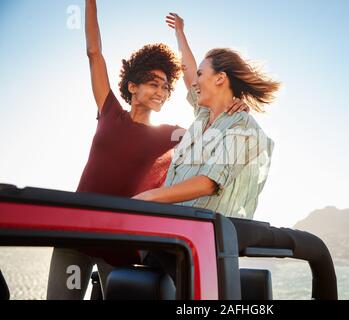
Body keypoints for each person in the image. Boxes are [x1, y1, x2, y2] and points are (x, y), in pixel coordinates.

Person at [46, 2, 247, 300]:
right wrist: (90, 4)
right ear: (132, 86)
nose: (161, 92)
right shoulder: (109, 111)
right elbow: (94, 54)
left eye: (166, 87)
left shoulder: (170, 135)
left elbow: (202, 102)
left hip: (119, 246)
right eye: (154, 84)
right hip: (75, 232)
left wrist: (229, 105)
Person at [132, 13, 280, 220]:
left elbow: (208, 183)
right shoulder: (202, 116)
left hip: (204, 244)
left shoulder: (243, 126)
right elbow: (188, 70)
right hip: (171, 231)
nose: (195, 82)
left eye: (201, 74)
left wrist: (148, 198)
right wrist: (179, 32)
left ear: (220, 78)